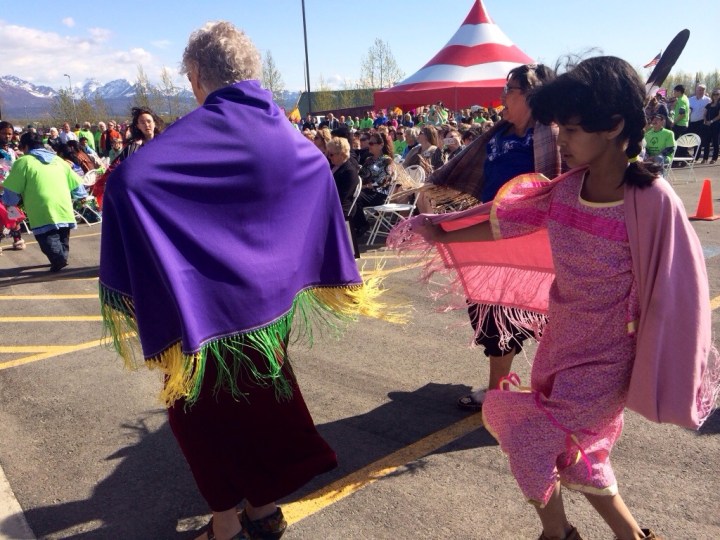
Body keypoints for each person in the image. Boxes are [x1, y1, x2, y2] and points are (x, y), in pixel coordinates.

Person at [98, 21, 397, 540]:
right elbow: (314, 174)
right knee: (262, 402)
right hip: (269, 308)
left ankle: (227, 522)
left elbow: (131, 180)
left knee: (201, 416)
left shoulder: (203, 133)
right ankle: (262, 507)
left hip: (201, 310)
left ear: (196, 77)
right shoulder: (285, 133)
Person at [407, 55, 717, 540]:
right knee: (573, 456)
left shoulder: (653, 201)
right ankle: (633, 535)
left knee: (530, 438)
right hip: (560, 348)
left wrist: (665, 365)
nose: (560, 142)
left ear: (614, 125)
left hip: (610, 361)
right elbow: (500, 221)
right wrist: (441, 233)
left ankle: (557, 535)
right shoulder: (565, 190)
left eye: (570, 130)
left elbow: (682, 294)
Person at [416, 64, 562, 412]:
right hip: (491, 236)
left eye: (509, 89)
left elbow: (558, 185)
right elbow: (470, 178)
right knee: (493, 314)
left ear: (531, 95)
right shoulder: (496, 135)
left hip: (530, 243)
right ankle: (502, 388)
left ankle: (528, 390)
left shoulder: (550, 136)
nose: (502, 97)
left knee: (538, 316)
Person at [2, 132, 87, 271]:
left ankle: (58, 259)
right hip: (63, 205)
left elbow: (12, 188)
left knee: (47, 238)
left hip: (40, 207)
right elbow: (76, 182)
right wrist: (81, 195)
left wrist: (8, 201)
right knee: (63, 235)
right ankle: (61, 258)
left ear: (26, 146)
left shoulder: (24, 162)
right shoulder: (58, 160)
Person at [351, 132, 395, 237]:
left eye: (372, 143)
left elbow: (383, 181)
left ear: (381, 145)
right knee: (350, 195)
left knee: (355, 197)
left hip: (379, 194)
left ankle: (362, 225)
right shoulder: (368, 160)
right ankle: (355, 226)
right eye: (369, 143)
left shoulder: (387, 161)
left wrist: (365, 186)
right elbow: (360, 176)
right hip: (366, 191)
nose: (368, 145)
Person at [700, 88, 720, 164]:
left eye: (717, 94)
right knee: (706, 142)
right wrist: (705, 120)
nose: (715, 96)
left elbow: (719, 116)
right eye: (714, 94)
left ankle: (714, 158)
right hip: (708, 125)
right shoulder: (709, 104)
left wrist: (711, 121)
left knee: (715, 142)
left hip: (716, 125)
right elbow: (704, 113)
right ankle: (705, 158)